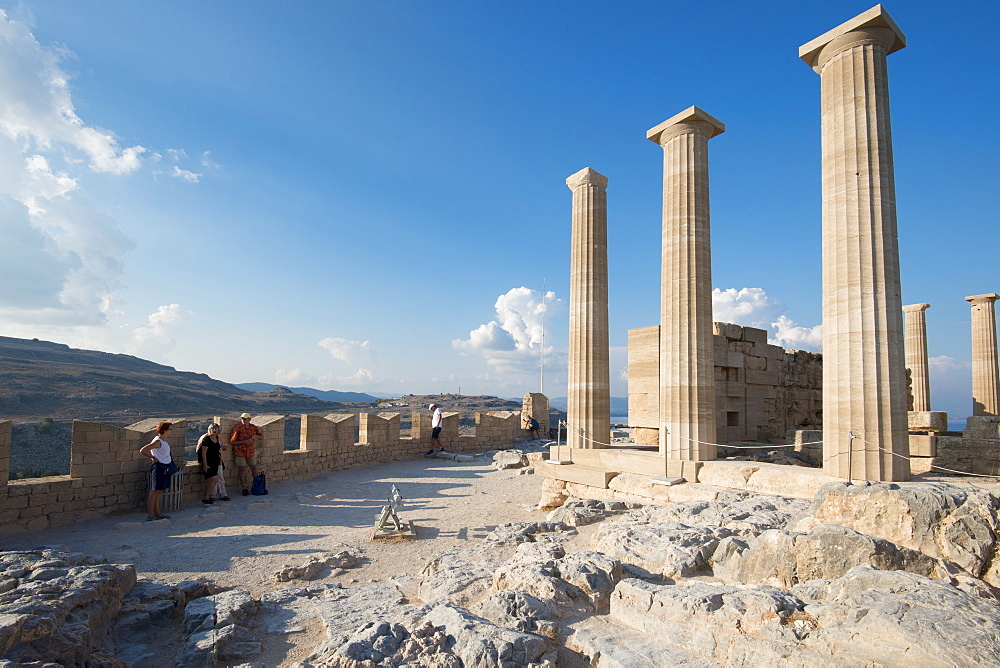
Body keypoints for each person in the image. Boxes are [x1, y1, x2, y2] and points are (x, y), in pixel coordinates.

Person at [139, 421, 175, 521]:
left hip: (164, 468)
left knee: (159, 491)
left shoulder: (164, 441)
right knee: (154, 492)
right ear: (164, 430)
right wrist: (152, 457)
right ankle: (150, 515)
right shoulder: (158, 441)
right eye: (170, 429)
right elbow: (143, 450)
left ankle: (158, 513)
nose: (171, 431)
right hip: (159, 467)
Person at [230, 412, 263, 496]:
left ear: (249, 419)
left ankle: (257, 486)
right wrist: (244, 442)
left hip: (250, 452)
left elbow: (260, 436)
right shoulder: (238, 428)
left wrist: (255, 437)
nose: (243, 420)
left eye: (245, 419)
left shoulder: (253, 428)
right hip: (240, 452)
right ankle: (244, 488)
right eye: (242, 419)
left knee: (254, 468)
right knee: (242, 469)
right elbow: (232, 441)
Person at [197, 423, 228, 504]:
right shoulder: (206, 439)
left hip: (216, 462)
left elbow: (219, 448)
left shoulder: (218, 438)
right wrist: (205, 464)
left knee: (216, 479)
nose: (214, 430)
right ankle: (209, 496)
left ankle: (210, 497)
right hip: (208, 462)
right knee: (213, 479)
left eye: (216, 429)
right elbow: (202, 453)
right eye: (212, 429)